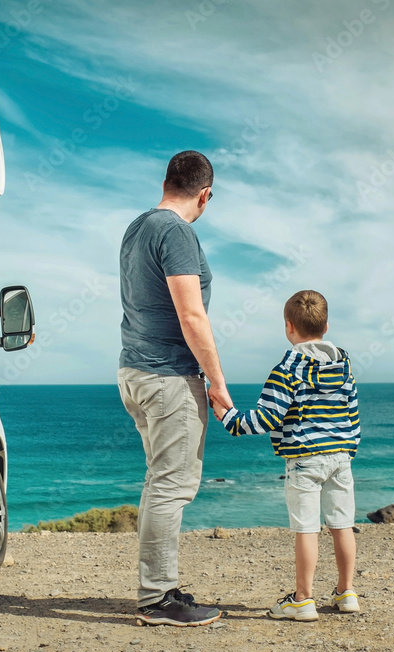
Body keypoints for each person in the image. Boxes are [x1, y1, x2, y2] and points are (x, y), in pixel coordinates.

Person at [117, 150, 232, 626]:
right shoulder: (177, 232)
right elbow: (191, 315)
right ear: (205, 194)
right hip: (168, 378)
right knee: (171, 487)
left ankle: (160, 588)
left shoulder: (136, 228)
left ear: (166, 181)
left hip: (135, 372)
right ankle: (157, 599)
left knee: (158, 482)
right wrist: (219, 384)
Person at [215, 290, 361, 621]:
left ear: (288, 326)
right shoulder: (344, 367)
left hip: (305, 460)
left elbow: (267, 418)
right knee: (343, 525)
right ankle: (346, 592)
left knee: (307, 529)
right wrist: (349, 447)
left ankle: (303, 599)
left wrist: (229, 418)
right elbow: (352, 412)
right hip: (341, 458)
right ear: (326, 326)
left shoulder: (287, 369)